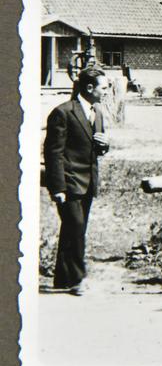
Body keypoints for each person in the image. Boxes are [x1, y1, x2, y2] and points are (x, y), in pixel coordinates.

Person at [43, 66, 111, 294]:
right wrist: (58, 187)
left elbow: (96, 148)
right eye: (104, 88)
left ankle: (62, 279)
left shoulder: (97, 112)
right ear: (90, 88)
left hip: (88, 181)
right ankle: (77, 279)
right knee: (76, 227)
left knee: (73, 229)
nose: (107, 92)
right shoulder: (63, 112)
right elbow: (53, 153)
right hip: (69, 182)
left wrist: (104, 145)